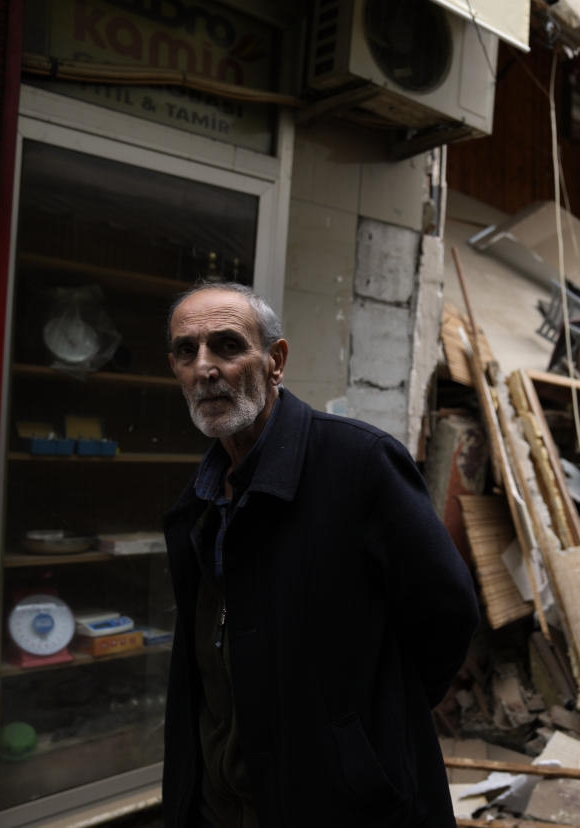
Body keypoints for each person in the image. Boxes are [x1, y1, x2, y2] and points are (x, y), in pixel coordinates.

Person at [161, 281, 479, 827]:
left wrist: (359, 737)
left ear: (275, 361)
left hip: (335, 804)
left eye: (228, 346)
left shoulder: (360, 465)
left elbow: (448, 615)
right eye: (187, 351)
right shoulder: (201, 499)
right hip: (220, 803)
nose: (205, 367)